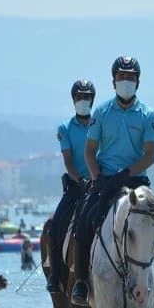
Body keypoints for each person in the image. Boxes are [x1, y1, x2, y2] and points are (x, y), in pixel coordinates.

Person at [70, 56, 154, 308]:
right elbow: (89, 151)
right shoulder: (102, 112)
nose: (125, 81)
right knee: (83, 221)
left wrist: (127, 173)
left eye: (130, 77)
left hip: (137, 181)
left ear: (137, 81)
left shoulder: (148, 115)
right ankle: (82, 283)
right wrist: (98, 179)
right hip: (105, 180)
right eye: (121, 77)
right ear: (113, 80)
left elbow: (150, 155)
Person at [46, 80, 96, 294]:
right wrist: (80, 180)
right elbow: (68, 160)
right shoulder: (65, 128)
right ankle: (56, 276)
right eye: (79, 97)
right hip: (76, 186)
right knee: (56, 224)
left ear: (92, 100)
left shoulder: (99, 124)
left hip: (99, 184)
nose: (83, 101)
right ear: (73, 100)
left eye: (87, 97)